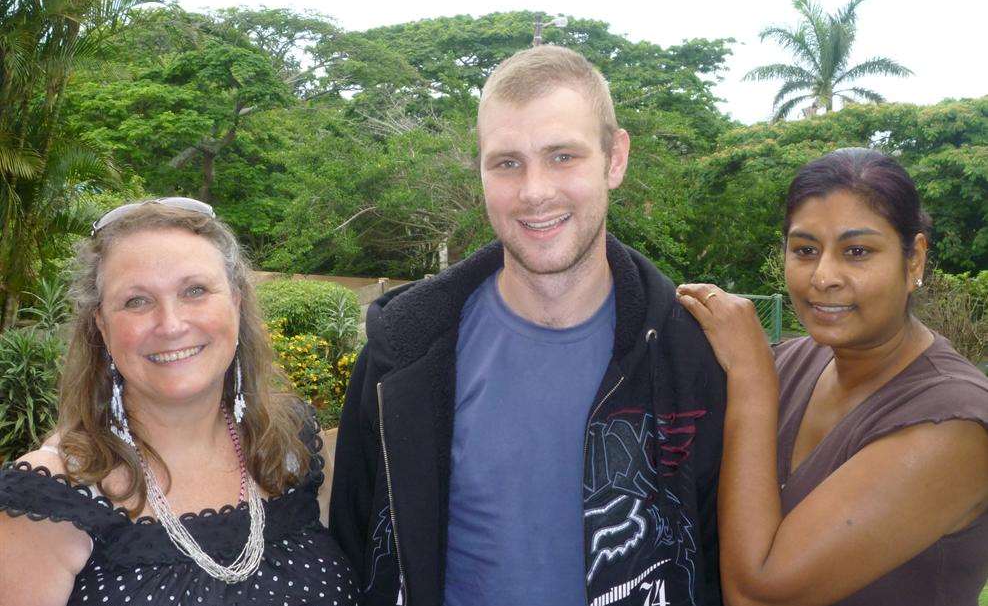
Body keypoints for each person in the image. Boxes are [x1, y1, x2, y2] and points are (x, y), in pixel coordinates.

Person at [330, 45, 727, 606]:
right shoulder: (403, 355)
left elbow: (718, 566)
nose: (535, 191)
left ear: (616, 159)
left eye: (563, 156)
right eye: (507, 162)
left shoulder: (690, 356)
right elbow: (355, 553)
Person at [0, 198, 359, 606]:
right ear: (101, 326)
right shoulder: (51, 495)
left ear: (236, 305)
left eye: (195, 291)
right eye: (137, 301)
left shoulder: (292, 444)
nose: (171, 325)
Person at [677, 148, 988, 606]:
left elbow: (756, 595)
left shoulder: (951, 425)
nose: (823, 277)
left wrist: (751, 381)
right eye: (805, 250)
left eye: (857, 251)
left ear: (915, 260)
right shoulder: (791, 362)